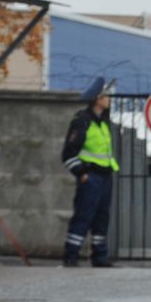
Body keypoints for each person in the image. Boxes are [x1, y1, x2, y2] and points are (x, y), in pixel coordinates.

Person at [61, 79, 119, 268]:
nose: (109, 99)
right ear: (97, 99)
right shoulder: (82, 122)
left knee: (102, 217)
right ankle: (71, 255)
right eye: (106, 96)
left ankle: (99, 256)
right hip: (91, 176)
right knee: (83, 216)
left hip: (105, 176)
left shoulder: (103, 122)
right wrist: (81, 174)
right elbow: (68, 154)